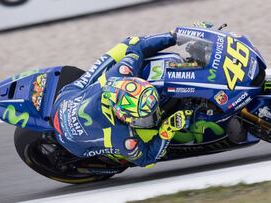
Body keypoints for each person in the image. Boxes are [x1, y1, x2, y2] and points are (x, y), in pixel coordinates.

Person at [51, 31, 192, 168]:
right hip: (70, 141)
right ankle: (116, 160)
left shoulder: (121, 72)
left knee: (129, 43)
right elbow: (146, 159)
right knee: (135, 147)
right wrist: (166, 131)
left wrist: (175, 36)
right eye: (144, 118)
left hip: (66, 98)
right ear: (122, 115)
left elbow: (138, 47)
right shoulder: (119, 135)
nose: (154, 117)